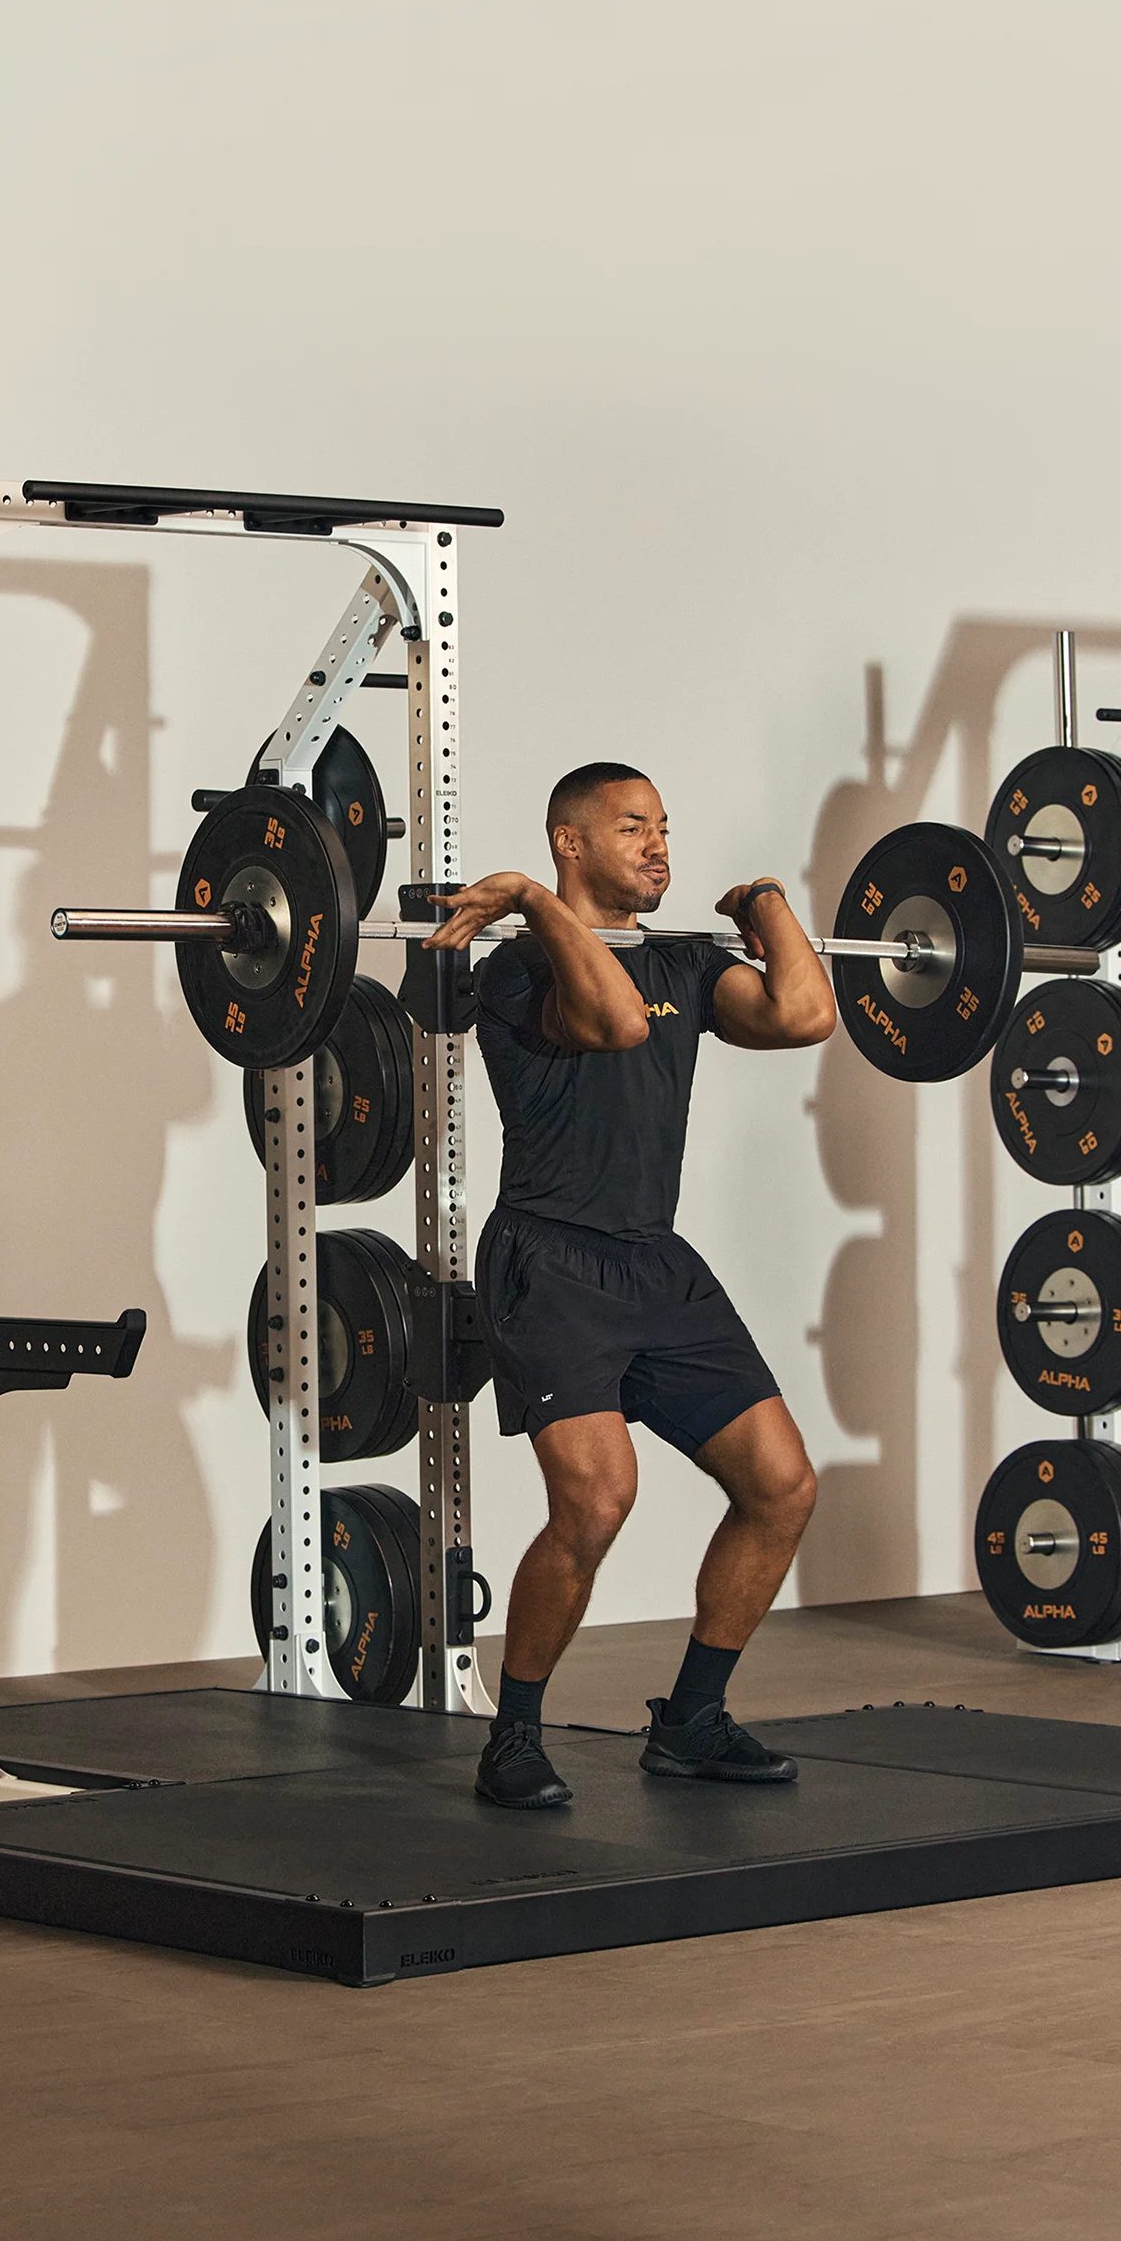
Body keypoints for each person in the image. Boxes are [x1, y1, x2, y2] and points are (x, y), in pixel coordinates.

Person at [425, 763, 837, 1807]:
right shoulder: (515, 975)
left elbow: (805, 1014)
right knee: (599, 1502)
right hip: (549, 1263)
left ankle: (693, 1719)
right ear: (572, 841)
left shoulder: (689, 965)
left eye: (664, 828)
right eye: (632, 828)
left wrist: (765, 905)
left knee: (782, 1487)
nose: (658, 848)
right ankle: (514, 1735)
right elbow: (614, 1023)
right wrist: (525, 903)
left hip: (656, 1263)